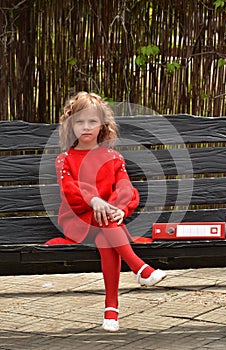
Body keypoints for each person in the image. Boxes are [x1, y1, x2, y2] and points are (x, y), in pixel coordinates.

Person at [53, 91, 166, 332]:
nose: (86, 127)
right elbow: (70, 190)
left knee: (106, 233)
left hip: (108, 223)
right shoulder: (65, 159)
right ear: (70, 125)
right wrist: (94, 200)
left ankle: (111, 310)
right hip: (78, 220)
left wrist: (120, 209)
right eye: (79, 122)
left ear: (103, 125)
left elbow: (125, 187)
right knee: (103, 220)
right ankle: (139, 268)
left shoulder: (113, 157)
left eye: (92, 121)